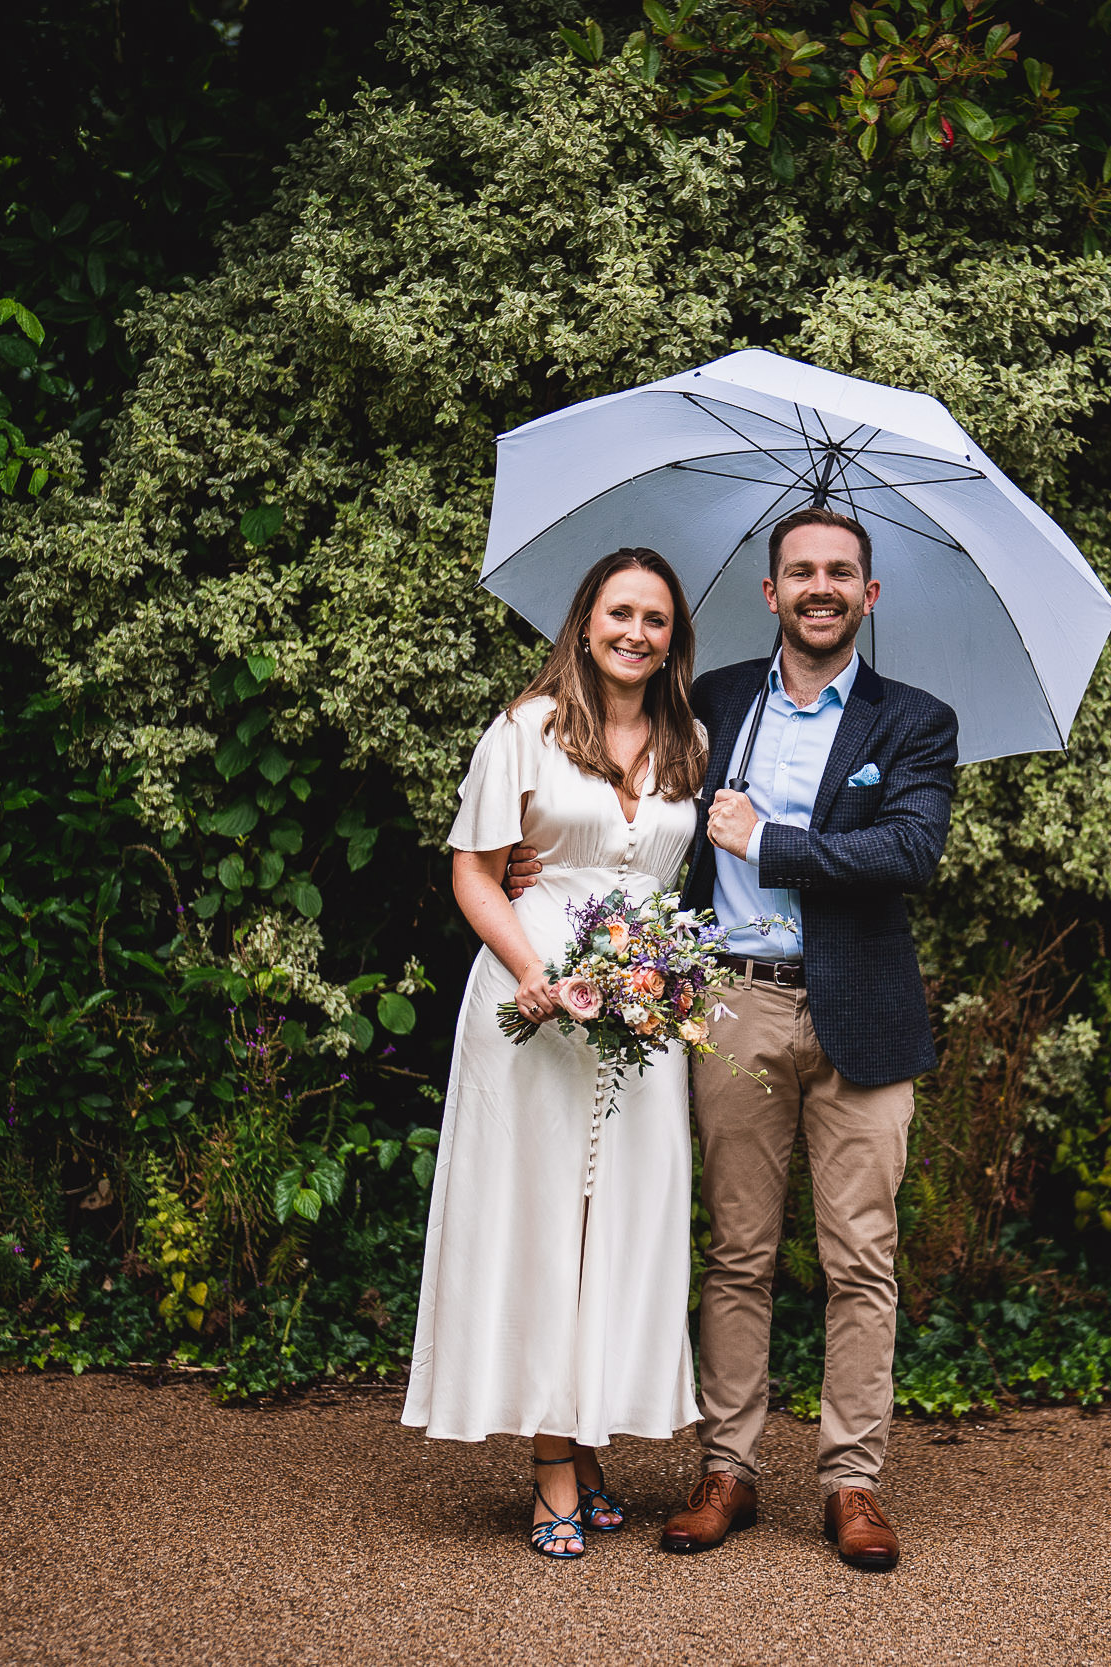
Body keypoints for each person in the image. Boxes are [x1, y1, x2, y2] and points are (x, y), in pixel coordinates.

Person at [662, 505, 957, 1571]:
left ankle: (852, 1482)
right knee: (736, 1252)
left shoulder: (913, 721)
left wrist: (772, 839)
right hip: (734, 1005)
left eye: (840, 571)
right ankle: (727, 1468)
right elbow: (637, 810)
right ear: (770, 591)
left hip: (864, 1014)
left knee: (861, 1259)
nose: (820, 586)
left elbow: (909, 852)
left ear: (867, 596)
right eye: (801, 570)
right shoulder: (714, 701)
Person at [402, 548, 710, 1560]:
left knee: (619, 1224)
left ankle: (587, 1439)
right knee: (539, 1219)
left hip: (642, 1022)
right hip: (534, 1005)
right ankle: (548, 1468)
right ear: (585, 622)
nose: (636, 632)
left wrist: (664, 974)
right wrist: (534, 967)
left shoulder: (690, 740)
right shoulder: (525, 730)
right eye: (619, 612)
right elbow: (477, 871)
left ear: (674, 638)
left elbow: (665, 881)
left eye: (655, 619)